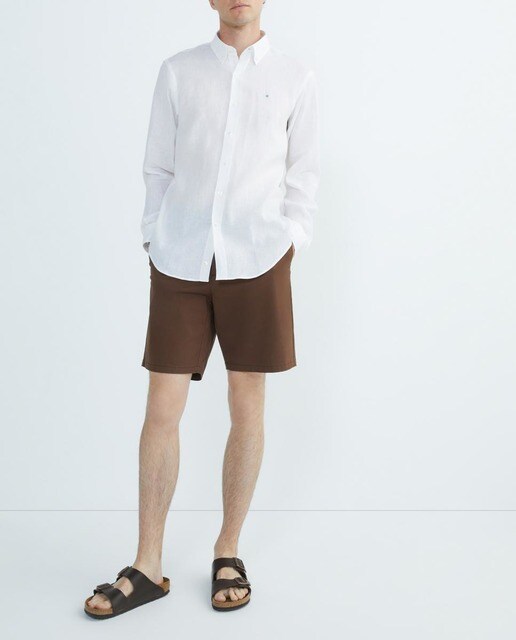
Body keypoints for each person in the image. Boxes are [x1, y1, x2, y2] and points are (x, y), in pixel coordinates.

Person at [83, 0, 320, 618]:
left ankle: (227, 550)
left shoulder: (295, 77)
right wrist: (154, 238)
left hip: (259, 258)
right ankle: (147, 565)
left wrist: (290, 241)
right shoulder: (178, 72)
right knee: (161, 408)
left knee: (247, 404)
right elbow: (157, 166)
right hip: (181, 258)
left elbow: (303, 175)